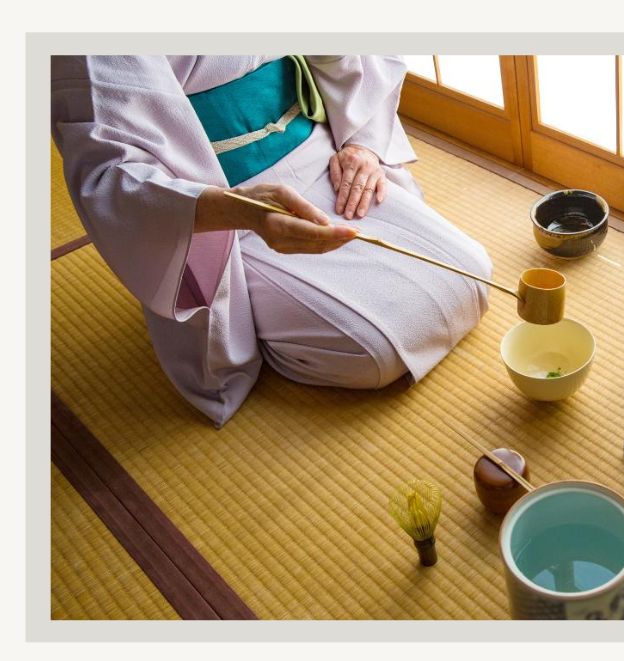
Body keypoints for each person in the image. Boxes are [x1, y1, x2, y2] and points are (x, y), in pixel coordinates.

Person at [51, 56, 492, 427]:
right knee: (369, 348)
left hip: (322, 156)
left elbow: (346, 48)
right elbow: (111, 176)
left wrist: (363, 147)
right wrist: (236, 210)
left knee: (474, 272)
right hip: (214, 201)